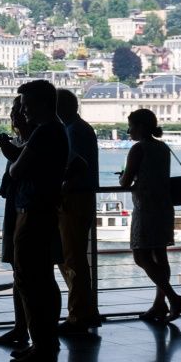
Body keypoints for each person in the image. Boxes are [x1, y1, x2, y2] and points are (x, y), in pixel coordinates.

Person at [0, 80, 66, 362]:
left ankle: (41, 345)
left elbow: (17, 169)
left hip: (32, 212)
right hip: (46, 210)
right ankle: (44, 343)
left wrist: (11, 155)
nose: (23, 111)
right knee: (43, 281)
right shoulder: (57, 131)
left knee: (29, 280)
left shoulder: (43, 132)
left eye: (26, 105)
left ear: (40, 104)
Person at [119, 108, 181, 324]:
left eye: (130, 126)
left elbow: (125, 182)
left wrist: (123, 175)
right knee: (160, 255)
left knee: (141, 256)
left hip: (146, 207)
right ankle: (160, 303)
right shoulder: (162, 147)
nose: (129, 130)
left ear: (139, 127)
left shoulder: (138, 149)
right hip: (164, 206)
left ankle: (172, 298)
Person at [56, 88, 101, 335]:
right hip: (82, 197)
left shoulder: (73, 131)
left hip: (73, 198)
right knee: (76, 258)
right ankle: (85, 311)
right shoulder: (81, 128)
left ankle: (78, 315)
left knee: (72, 259)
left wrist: (60, 186)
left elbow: (73, 165)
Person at [0, 94, 30, 349]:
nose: (15, 116)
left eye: (19, 111)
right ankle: (22, 326)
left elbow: (16, 171)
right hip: (17, 208)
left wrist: (10, 153)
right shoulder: (24, 142)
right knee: (21, 273)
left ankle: (30, 331)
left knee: (29, 274)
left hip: (25, 209)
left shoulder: (31, 142)